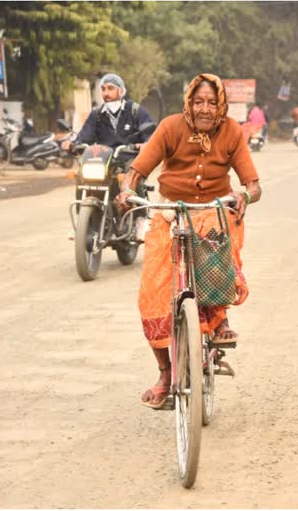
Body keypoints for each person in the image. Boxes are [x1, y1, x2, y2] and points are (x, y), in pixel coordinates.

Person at [114, 73, 262, 409]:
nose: (205, 109)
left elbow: (253, 184)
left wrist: (243, 196)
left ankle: (219, 317)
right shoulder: (169, 127)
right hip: (169, 211)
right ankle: (166, 374)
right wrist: (126, 190)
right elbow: (137, 171)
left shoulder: (232, 132)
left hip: (213, 211)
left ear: (220, 105)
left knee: (219, 232)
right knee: (151, 295)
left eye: (212, 102)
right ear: (189, 104)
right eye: (198, 102)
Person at [64, 73, 154, 239]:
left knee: (135, 174)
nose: (106, 92)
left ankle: (140, 220)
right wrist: (72, 144)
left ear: (121, 91)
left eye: (110, 88)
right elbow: (84, 137)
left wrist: (145, 143)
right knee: (81, 176)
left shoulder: (135, 110)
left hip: (128, 156)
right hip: (105, 160)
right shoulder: (97, 114)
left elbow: (151, 134)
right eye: (103, 89)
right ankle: (81, 223)